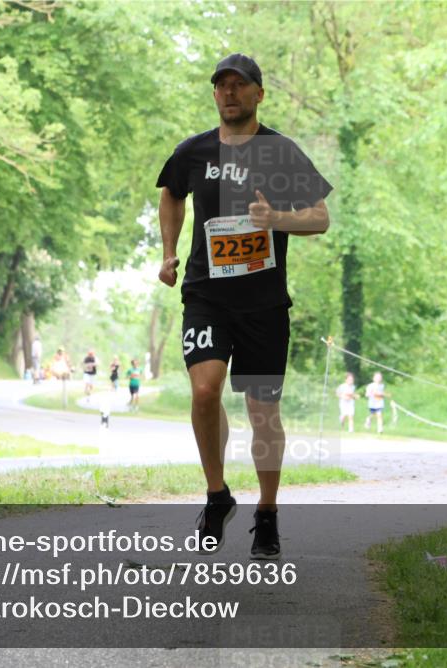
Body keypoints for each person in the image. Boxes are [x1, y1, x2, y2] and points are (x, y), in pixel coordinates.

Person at [156, 53, 332, 559]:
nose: (230, 92)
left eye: (240, 85)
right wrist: (168, 253)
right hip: (206, 295)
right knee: (205, 391)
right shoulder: (194, 151)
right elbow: (171, 194)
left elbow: (319, 218)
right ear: (214, 95)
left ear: (259, 93)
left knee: (262, 411)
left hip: (264, 304)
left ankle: (268, 511)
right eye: (222, 85)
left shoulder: (281, 152)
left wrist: (275, 218)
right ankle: (217, 496)